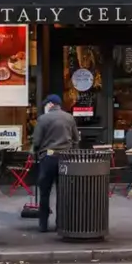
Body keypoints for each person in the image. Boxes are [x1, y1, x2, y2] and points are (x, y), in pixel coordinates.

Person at [30, 94, 80, 233]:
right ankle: (61, 224)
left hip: (48, 158)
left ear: (50, 104)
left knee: (44, 192)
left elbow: (37, 141)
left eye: (46, 104)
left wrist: (36, 151)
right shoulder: (69, 118)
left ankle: (43, 224)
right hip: (65, 158)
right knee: (62, 193)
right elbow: (76, 139)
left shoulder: (43, 119)